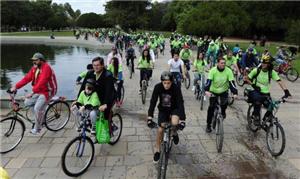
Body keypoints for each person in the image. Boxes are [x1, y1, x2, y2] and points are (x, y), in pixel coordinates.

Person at [10, 52, 57, 134]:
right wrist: (16, 86)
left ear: (41, 60)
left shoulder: (46, 68)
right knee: (27, 102)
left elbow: (42, 82)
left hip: (48, 91)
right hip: (39, 90)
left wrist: (32, 92)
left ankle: (38, 128)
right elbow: (27, 78)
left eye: (35, 60)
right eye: (33, 60)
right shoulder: (35, 68)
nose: (33, 62)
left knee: (37, 108)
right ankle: (40, 116)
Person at [147, 71, 186, 163]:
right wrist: (149, 117)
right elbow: (153, 102)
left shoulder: (176, 88)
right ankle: (157, 148)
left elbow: (180, 102)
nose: (166, 85)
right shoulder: (158, 87)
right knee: (160, 129)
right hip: (163, 110)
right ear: (162, 82)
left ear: (171, 82)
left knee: (174, 123)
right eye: (164, 83)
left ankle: (174, 132)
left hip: (174, 109)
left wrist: (183, 119)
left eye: (168, 83)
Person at [244, 55, 292, 126]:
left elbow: (279, 81)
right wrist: (253, 85)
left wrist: (286, 91)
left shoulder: (271, 72)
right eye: (262, 62)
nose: (263, 64)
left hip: (265, 93)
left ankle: (265, 119)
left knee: (271, 106)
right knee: (257, 101)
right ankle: (255, 116)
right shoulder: (257, 70)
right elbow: (246, 78)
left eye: (265, 63)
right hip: (256, 91)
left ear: (269, 64)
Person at [204, 57, 238, 133]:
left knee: (224, 104)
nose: (223, 64)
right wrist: (206, 90)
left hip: (224, 91)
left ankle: (223, 112)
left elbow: (232, 83)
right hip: (213, 91)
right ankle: (208, 124)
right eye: (221, 63)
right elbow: (208, 82)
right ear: (218, 63)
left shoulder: (228, 71)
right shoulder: (213, 70)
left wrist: (235, 93)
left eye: (224, 63)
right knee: (211, 108)